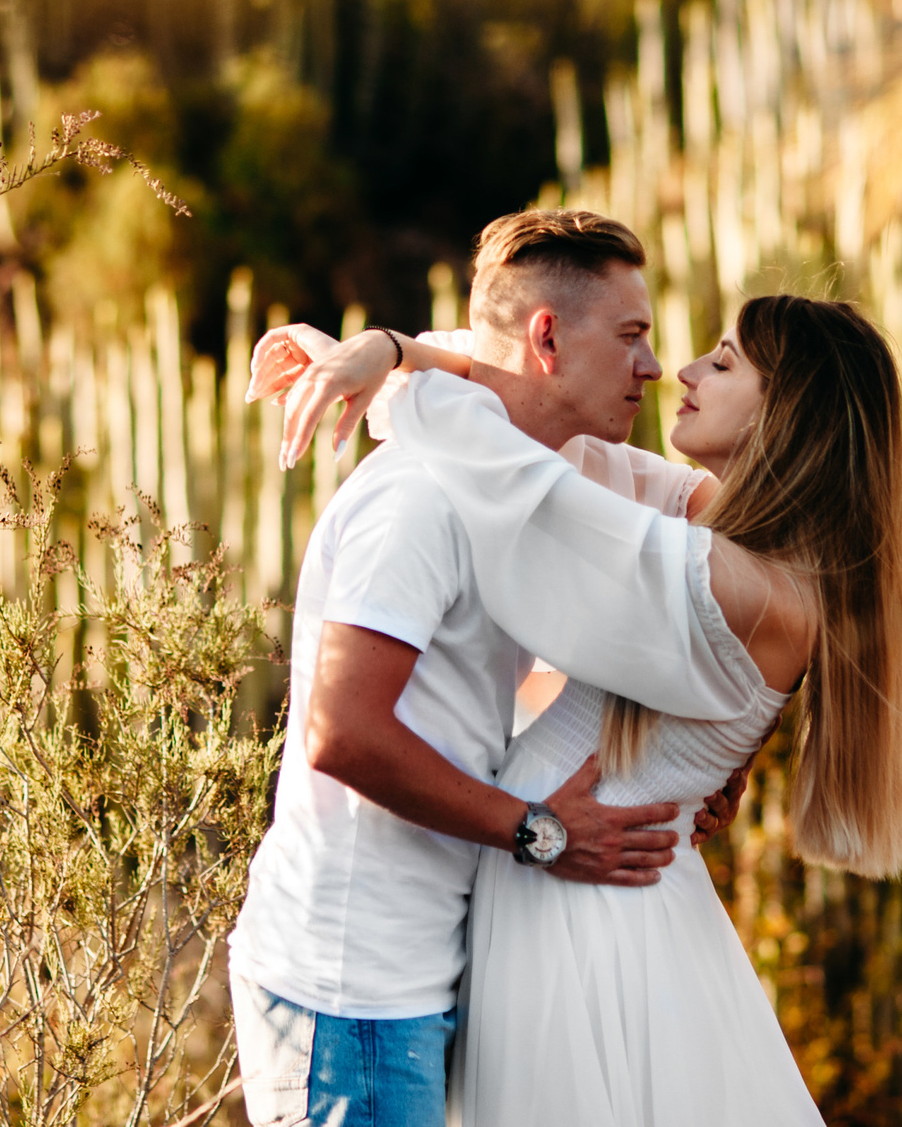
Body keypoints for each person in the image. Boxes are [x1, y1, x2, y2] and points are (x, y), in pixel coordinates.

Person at [260, 292, 902, 1127]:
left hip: (584, 928)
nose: (682, 371)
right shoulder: (735, 538)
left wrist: (397, 372)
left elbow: (519, 473)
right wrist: (390, 349)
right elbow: (549, 432)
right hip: (584, 899)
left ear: (786, 418)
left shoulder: (736, 583)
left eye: (722, 363)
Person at [224, 210, 765, 1127]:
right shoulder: (425, 499)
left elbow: (734, 559)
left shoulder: (544, 474)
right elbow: (340, 733)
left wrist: (711, 755)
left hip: (418, 972)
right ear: (548, 338)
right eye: (631, 336)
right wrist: (546, 832)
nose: (652, 365)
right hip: (349, 988)